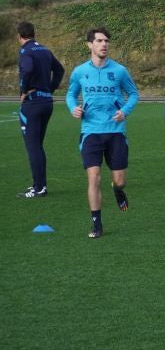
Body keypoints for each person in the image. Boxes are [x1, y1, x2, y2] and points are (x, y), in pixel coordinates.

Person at [66, 27, 140, 238]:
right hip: (90, 132)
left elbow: (134, 94)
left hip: (115, 132)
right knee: (94, 177)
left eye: (106, 41)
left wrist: (124, 111)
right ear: (89, 45)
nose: (104, 44)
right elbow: (71, 95)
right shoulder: (80, 71)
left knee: (119, 180)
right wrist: (74, 108)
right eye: (99, 41)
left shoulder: (119, 71)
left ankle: (117, 190)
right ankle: (97, 223)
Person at [15, 21, 65, 199]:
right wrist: (49, 89)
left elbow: (27, 69)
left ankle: (39, 187)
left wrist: (23, 89)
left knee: (33, 147)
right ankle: (40, 185)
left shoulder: (25, 51)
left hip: (33, 104)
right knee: (38, 146)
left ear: (19, 36)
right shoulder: (45, 50)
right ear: (34, 33)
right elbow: (60, 70)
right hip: (46, 103)